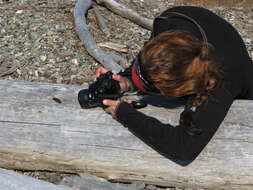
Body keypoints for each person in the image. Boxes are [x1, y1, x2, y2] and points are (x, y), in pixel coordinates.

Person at [95, 6, 253, 166]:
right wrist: (126, 81)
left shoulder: (220, 84)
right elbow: (154, 62)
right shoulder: (169, 22)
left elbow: (183, 147)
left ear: (179, 91)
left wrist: (124, 113)